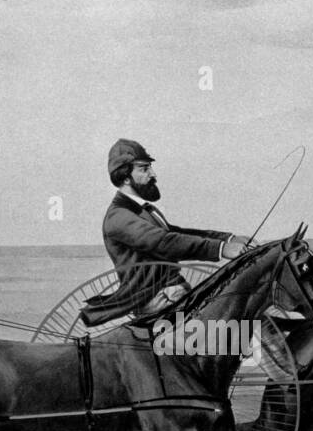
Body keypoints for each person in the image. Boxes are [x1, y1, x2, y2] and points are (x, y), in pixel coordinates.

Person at [80, 139, 249, 327]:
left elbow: (176, 233)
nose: (153, 174)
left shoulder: (142, 209)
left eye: (150, 168)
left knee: (242, 312)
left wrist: (227, 239)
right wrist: (222, 249)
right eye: (144, 169)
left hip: (173, 292)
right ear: (126, 177)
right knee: (233, 328)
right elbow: (164, 242)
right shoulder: (119, 216)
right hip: (159, 299)